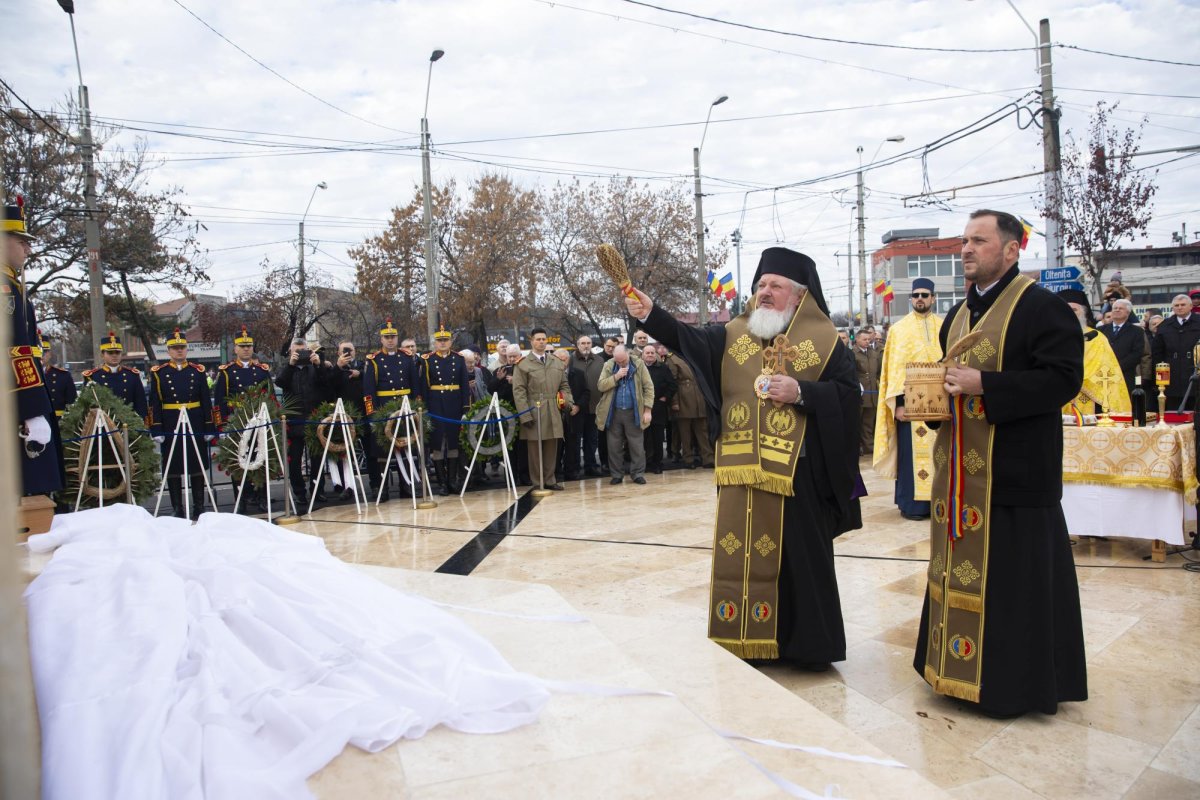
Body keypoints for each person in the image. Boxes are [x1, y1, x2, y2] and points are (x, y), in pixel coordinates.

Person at [627, 246, 861, 668]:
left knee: (798, 559)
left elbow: (848, 397)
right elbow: (688, 340)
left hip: (798, 474)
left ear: (800, 295)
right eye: (760, 285)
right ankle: (745, 637)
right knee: (741, 551)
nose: (764, 292)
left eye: (776, 286)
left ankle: (806, 646)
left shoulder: (826, 341)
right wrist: (652, 315)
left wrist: (803, 392)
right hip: (741, 469)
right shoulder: (733, 333)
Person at [914, 209, 1086, 717]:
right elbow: (950, 385)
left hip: (1014, 479)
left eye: (979, 241)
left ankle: (1012, 687)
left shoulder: (1042, 308)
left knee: (1014, 588)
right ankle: (952, 671)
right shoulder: (957, 314)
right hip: (959, 479)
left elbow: (1063, 380)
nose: (966, 249)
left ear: (1012, 250)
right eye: (964, 241)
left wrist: (985, 385)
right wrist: (926, 405)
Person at [872, 278, 943, 520]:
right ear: (911, 299)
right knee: (911, 458)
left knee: (939, 455)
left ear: (933, 298)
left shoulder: (944, 327)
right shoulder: (899, 329)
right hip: (910, 407)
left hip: (940, 407)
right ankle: (913, 506)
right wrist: (899, 406)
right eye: (916, 295)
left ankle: (938, 505)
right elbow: (894, 370)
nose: (920, 299)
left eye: (925, 295)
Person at [4, 199, 60, 497]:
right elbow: (16, 352)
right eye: (21, 241)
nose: (28, 249)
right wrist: (32, 411)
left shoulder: (13, 286)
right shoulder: (6, 290)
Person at [148, 328, 217, 519]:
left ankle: (199, 506)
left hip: (194, 421)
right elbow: (155, 402)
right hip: (171, 422)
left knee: (197, 464)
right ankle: (177, 507)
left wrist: (209, 426)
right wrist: (156, 428)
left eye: (182, 347)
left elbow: (205, 400)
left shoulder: (197, 371)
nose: (179, 351)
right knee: (173, 466)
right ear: (169, 350)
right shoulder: (159, 373)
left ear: (187, 349)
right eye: (175, 348)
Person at [276, 338, 340, 507]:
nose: (300, 354)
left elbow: (328, 388)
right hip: (294, 421)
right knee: (295, 460)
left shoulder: (314, 367)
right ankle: (299, 492)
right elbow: (280, 382)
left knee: (317, 459)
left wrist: (319, 366)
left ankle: (317, 490)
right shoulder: (287, 368)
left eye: (303, 351)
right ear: (290, 352)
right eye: (296, 351)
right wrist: (291, 365)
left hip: (314, 419)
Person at [364, 321, 425, 499]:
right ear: (381, 339)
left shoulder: (406, 357)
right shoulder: (374, 360)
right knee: (383, 451)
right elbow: (368, 392)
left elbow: (415, 386)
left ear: (397, 338)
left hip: (405, 407)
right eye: (387, 337)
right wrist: (372, 414)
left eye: (393, 337)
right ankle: (382, 488)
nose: (390, 340)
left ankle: (407, 485)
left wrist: (417, 408)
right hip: (384, 408)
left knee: (407, 447)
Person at [512, 328, 573, 491]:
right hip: (534, 408)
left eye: (544, 339)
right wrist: (525, 415)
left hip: (553, 408)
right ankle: (537, 481)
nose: (541, 342)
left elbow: (564, 385)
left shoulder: (556, 362)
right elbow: (519, 391)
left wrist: (567, 401)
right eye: (538, 339)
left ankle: (550, 479)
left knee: (552, 446)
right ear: (531, 341)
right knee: (534, 448)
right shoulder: (523, 364)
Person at [1057, 289, 1130, 414]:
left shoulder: (1097, 338)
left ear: (1083, 313)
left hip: (1090, 399)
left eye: (1074, 310)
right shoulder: (1050, 338)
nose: (1069, 313)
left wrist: (1073, 378)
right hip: (1057, 395)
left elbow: (1106, 369)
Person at [422, 326, 471, 495]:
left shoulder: (458, 359)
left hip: (454, 404)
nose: (442, 343)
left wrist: (465, 408)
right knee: (438, 444)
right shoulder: (427, 360)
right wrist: (424, 409)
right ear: (435, 343)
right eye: (439, 340)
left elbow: (464, 385)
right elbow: (424, 387)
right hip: (436, 404)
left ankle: (452, 481)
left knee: (453, 442)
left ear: (451, 342)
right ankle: (442, 483)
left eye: (445, 340)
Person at [595, 344, 653, 485]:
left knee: (636, 445)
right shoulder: (609, 365)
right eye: (618, 361)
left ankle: (637, 474)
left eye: (623, 360)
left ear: (628, 354)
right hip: (613, 412)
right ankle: (616, 474)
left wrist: (647, 410)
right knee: (614, 446)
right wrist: (616, 377)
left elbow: (649, 387)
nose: (621, 363)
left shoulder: (639, 364)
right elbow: (601, 385)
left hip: (634, 412)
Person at [83, 332, 149, 424]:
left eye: (117, 352)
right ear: (102, 355)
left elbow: (141, 403)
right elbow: (87, 406)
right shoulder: (93, 377)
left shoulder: (132, 375)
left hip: (129, 423)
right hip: (104, 424)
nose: (114, 355)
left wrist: (142, 423)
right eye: (110, 353)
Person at [488, 344, 529, 484]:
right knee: (509, 447)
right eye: (509, 356)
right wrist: (498, 379)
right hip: (506, 414)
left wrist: (515, 381)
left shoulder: (526, 369)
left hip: (523, 412)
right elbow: (490, 390)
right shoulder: (500, 370)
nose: (511, 359)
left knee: (523, 447)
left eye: (514, 356)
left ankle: (524, 476)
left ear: (520, 356)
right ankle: (511, 477)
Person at [1151, 294, 1200, 412]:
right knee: (1173, 411)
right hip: (1172, 374)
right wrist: (1159, 380)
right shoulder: (1165, 325)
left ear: (1190, 306)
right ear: (1172, 308)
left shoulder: (1198, 321)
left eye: (1183, 305)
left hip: (1195, 372)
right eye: (1176, 305)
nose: (1180, 307)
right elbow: (1157, 353)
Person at [669, 351, 713, 469]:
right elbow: (672, 382)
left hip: (699, 396)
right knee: (685, 432)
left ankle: (708, 458)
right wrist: (674, 402)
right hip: (684, 398)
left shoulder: (697, 355)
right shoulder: (673, 359)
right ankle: (688, 458)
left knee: (703, 431)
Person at [1098, 298, 1148, 395]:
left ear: (1128, 312)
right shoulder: (1100, 330)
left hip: (1125, 375)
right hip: (1103, 375)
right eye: (1115, 308)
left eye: (1120, 308)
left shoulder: (1137, 331)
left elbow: (1137, 354)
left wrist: (1117, 367)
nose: (1117, 310)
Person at [551, 348, 587, 481]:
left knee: (572, 445)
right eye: (558, 359)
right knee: (556, 446)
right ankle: (555, 472)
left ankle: (571, 471)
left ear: (569, 359)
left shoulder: (579, 373)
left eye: (564, 359)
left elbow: (586, 392)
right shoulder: (549, 374)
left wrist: (578, 406)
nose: (562, 361)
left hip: (573, 414)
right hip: (556, 415)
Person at [572, 335, 605, 477]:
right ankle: (574, 467)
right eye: (583, 343)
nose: (586, 345)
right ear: (578, 345)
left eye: (588, 343)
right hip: (576, 407)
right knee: (575, 440)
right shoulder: (571, 360)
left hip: (594, 406)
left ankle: (591, 466)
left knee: (591, 439)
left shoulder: (599, 360)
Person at [641, 346, 676, 474]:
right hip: (641, 407)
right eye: (647, 353)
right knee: (644, 438)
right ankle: (645, 463)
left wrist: (665, 398)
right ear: (643, 355)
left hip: (658, 407)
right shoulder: (638, 368)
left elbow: (672, 385)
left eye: (652, 352)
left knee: (658, 437)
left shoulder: (663, 368)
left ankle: (657, 464)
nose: (650, 355)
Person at [853, 329, 881, 456]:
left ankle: (869, 447)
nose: (867, 342)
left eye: (869, 339)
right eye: (864, 339)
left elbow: (878, 371)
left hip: (873, 393)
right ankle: (857, 446)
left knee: (869, 422)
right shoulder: (852, 353)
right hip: (860, 393)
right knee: (857, 421)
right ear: (857, 339)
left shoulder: (873, 353)